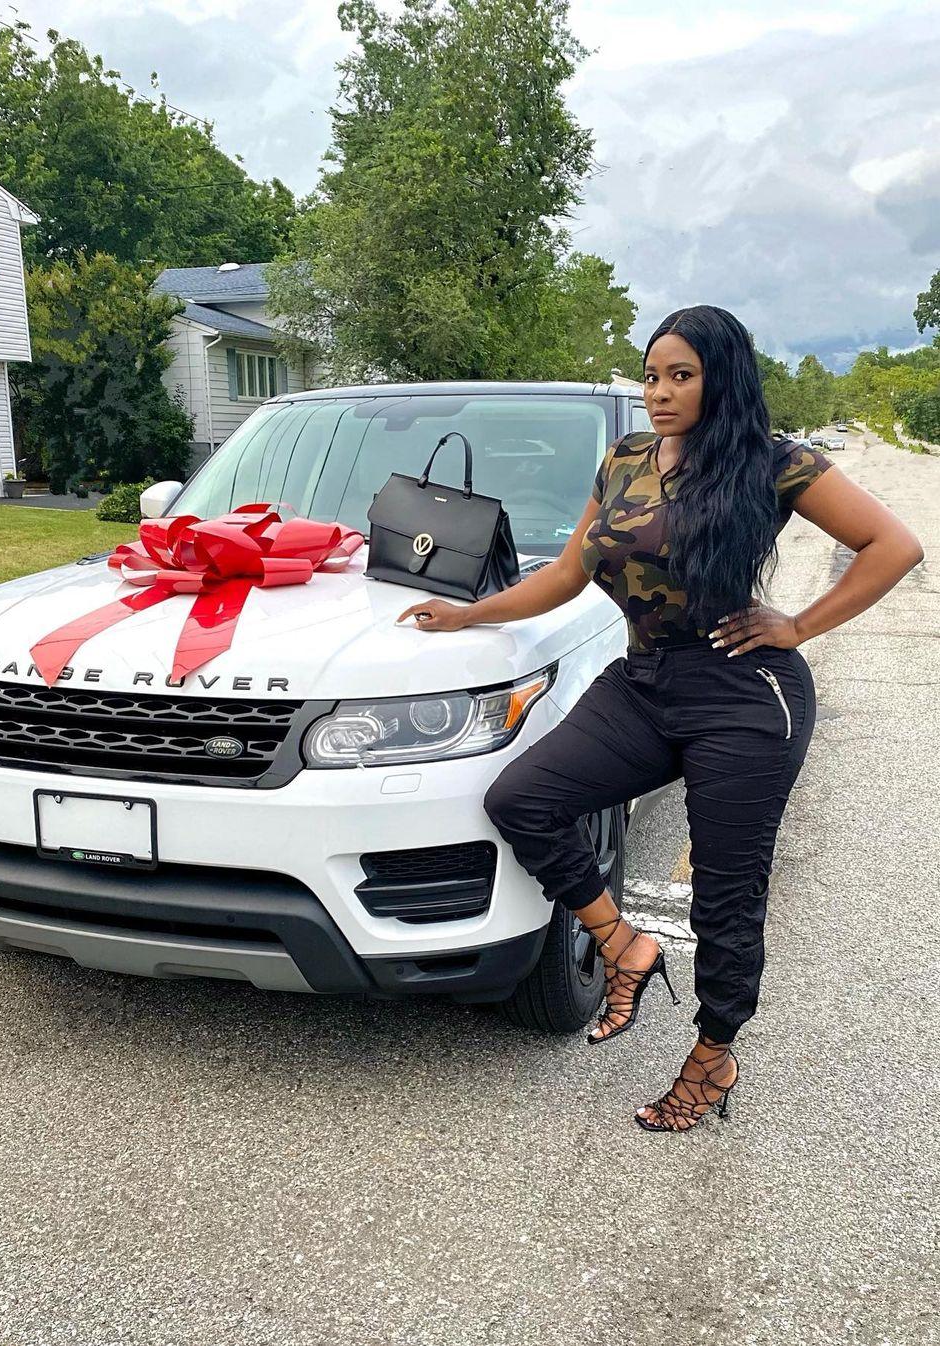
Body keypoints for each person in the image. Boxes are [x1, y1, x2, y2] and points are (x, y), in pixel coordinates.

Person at [395, 305, 924, 1132]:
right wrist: (470, 614)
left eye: (682, 375)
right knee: (523, 799)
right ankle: (625, 945)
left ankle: (713, 1057)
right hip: (644, 682)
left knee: (725, 895)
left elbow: (895, 546)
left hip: (743, 694)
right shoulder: (625, 458)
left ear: (722, 379)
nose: (660, 392)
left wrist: (796, 626)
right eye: (651, 376)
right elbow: (567, 574)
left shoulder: (775, 463)